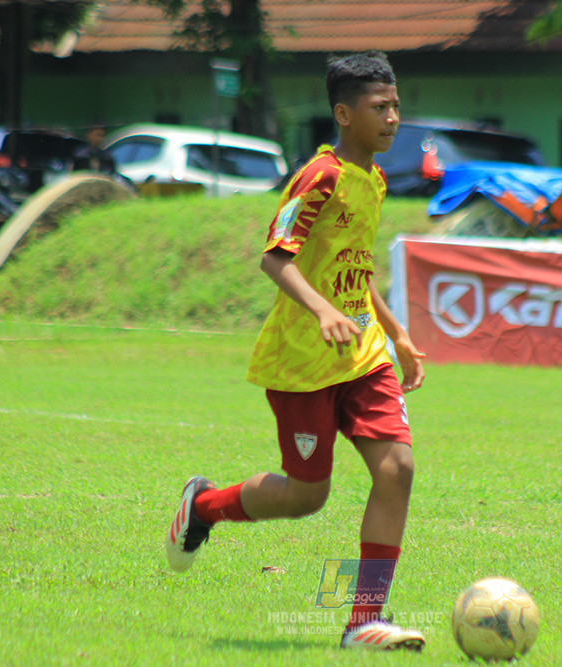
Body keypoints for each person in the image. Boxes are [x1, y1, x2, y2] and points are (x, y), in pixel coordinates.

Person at [164, 51, 428, 652]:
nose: (392, 117)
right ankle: (203, 507)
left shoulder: (376, 180)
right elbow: (275, 257)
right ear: (343, 114)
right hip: (302, 362)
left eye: (395, 106)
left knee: (398, 470)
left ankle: (363, 621)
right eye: (378, 107)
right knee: (307, 496)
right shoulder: (321, 176)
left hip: (361, 355)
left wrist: (395, 332)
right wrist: (322, 310)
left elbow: (354, 271)